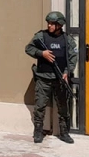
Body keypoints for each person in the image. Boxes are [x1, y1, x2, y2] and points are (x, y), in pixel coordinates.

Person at [25, 11, 78, 144]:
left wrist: (67, 72)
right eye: (48, 23)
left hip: (60, 79)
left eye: (52, 23)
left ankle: (64, 133)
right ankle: (38, 131)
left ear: (59, 25)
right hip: (43, 78)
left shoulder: (67, 39)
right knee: (40, 106)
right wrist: (41, 53)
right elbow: (28, 48)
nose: (49, 25)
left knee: (63, 107)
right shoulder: (41, 36)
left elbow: (73, 57)